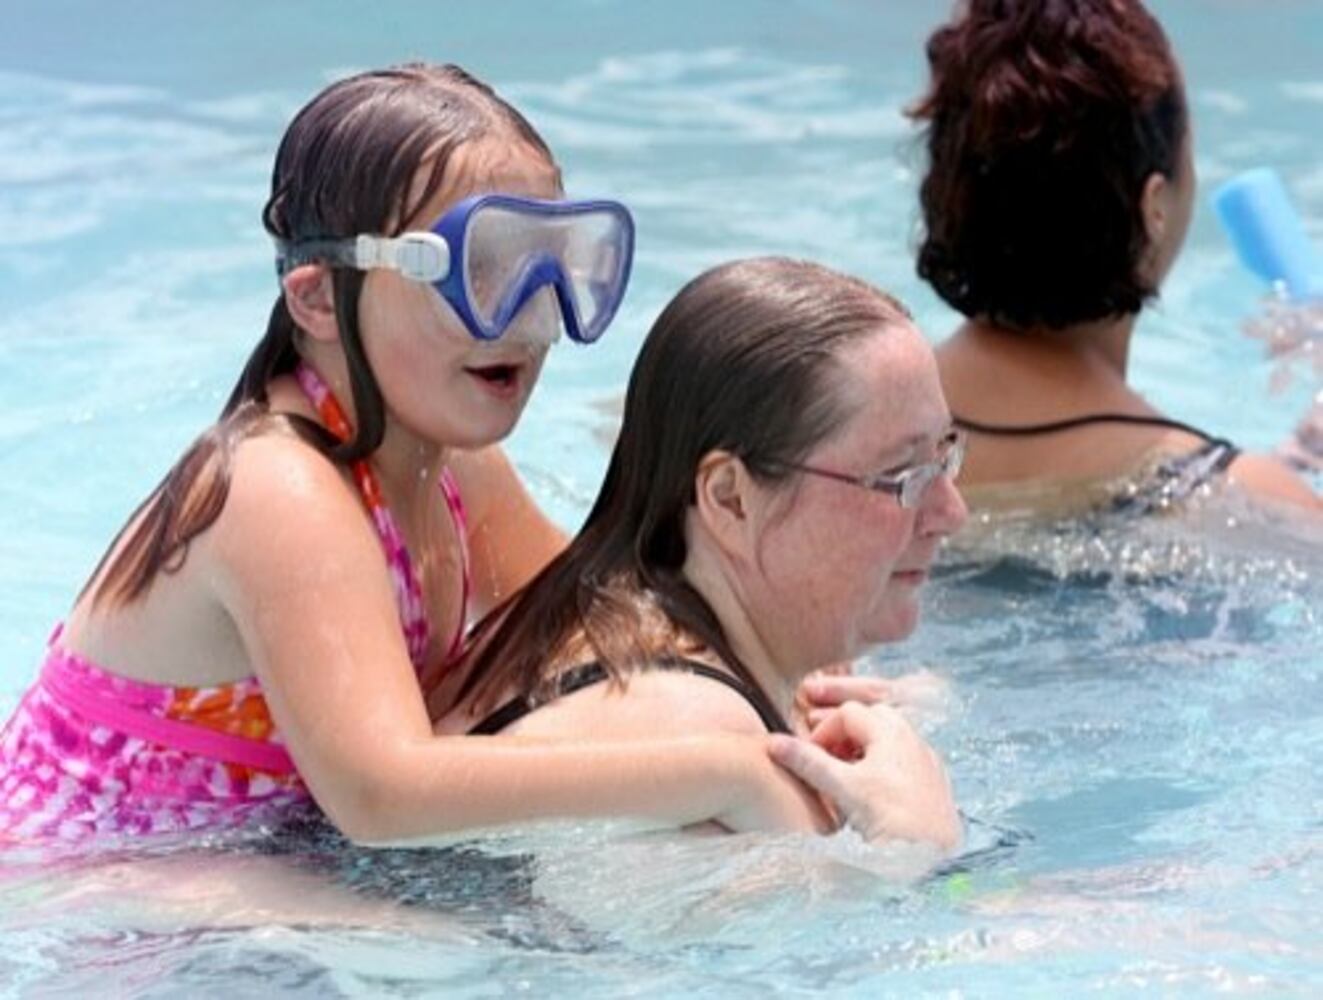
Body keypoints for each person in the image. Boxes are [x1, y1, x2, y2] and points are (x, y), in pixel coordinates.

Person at [0, 64, 944, 846]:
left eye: (554, 263)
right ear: (320, 301)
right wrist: (730, 769)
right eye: (482, 271)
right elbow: (382, 799)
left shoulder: (449, 468)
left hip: (252, 855)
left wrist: (790, 679)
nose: (533, 321)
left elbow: (596, 616)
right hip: (94, 877)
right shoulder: (278, 488)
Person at [434, 257, 967, 850]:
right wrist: (926, 852)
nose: (952, 513)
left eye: (945, 456)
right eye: (902, 476)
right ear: (730, 499)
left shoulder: (611, 616)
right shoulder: (687, 737)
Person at [908, 0, 1321, 514]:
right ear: (1153, 208)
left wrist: (1295, 458)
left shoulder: (858, 433)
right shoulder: (1232, 503)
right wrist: (1275, 485)